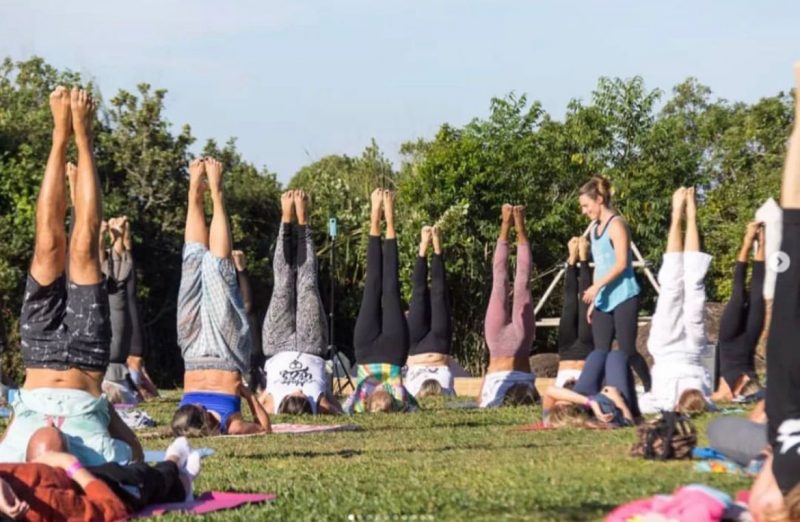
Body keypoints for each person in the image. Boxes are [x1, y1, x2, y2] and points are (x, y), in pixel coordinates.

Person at [0, 86, 142, 465]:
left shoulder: (12, 462)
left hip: (38, 356)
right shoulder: (97, 457)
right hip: (86, 361)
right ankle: (83, 136)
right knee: (82, 248)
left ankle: (59, 136)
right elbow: (138, 458)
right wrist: (102, 411)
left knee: (48, 245)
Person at [171, 157, 271, 436]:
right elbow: (265, 431)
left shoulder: (231, 425)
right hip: (192, 353)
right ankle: (200, 191)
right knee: (194, 263)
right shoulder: (184, 421)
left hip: (222, 353)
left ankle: (213, 192)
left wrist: (248, 394)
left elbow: (265, 429)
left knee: (217, 268)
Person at [749, 62, 800, 522]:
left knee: (795, 221)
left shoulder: (786, 474)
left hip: (787, 368)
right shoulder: (782, 481)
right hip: (787, 367)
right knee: (796, 219)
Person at [258, 190, 341, 415]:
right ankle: (303, 222)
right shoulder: (318, 404)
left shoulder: (272, 405)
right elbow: (339, 412)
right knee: (308, 286)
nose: (299, 390)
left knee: (282, 285)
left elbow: (256, 407)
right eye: (302, 394)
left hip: (276, 345)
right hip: (311, 346)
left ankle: (286, 220)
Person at [0, 429, 200, 521]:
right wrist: (70, 465)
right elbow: (112, 509)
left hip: (59, 473)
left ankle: (180, 479)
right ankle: (177, 470)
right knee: (148, 478)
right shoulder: (41, 506)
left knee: (47, 436)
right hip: (97, 487)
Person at [638, 187, 715, 414]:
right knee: (672, 286)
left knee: (693, 284)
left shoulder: (705, 394)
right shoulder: (665, 401)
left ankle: (688, 215)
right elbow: (643, 403)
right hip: (668, 349)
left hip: (691, 349)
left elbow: (710, 403)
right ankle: (678, 215)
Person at [343, 189, 415, 413]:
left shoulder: (358, 401)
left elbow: (340, 410)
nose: (382, 401)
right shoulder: (401, 398)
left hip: (365, 351)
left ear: (369, 404)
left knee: (372, 286)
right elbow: (414, 408)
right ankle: (390, 220)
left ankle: (375, 217)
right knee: (391, 288)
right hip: (394, 352)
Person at [579, 176, 651, 391]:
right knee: (600, 352)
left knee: (627, 350)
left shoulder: (617, 225)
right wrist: (594, 298)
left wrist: (596, 286)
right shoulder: (594, 230)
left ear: (599, 199)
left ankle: (650, 387)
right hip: (603, 299)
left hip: (624, 296)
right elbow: (599, 267)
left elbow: (621, 264)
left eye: (586, 205)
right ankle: (599, 394)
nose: (584, 211)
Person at [478, 204, 538, 408]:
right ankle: (519, 229)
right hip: (520, 347)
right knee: (521, 283)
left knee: (500, 283)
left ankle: (506, 225)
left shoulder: (491, 402)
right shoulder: (527, 395)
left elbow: (481, 395)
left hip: (497, 346)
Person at [712, 222, 766, 402]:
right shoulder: (754, 387)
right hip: (749, 338)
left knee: (738, 295)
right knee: (757, 296)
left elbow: (709, 399)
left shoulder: (721, 393)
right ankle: (761, 243)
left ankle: (747, 242)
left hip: (730, 339)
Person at [404, 225, 456, 398]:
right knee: (439, 294)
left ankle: (423, 249)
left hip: (416, 345)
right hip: (440, 344)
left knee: (419, 294)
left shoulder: (411, 397)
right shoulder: (447, 396)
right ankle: (437, 248)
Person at [542, 349, 640, 428]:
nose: (558, 399)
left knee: (598, 354)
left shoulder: (550, 418)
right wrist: (618, 399)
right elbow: (628, 422)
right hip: (611, 400)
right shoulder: (600, 418)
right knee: (617, 356)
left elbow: (550, 390)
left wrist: (590, 402)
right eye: (567, 401)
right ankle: (637, 414)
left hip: (584, 396)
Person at [555, 236, 593, 388]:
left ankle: (571, 261)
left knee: (569, 305)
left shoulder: (558, 397)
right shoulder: (586, 398)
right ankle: (583, 259)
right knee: (585, 301)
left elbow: (546, 407)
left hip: (566, 351)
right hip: (587, 351)